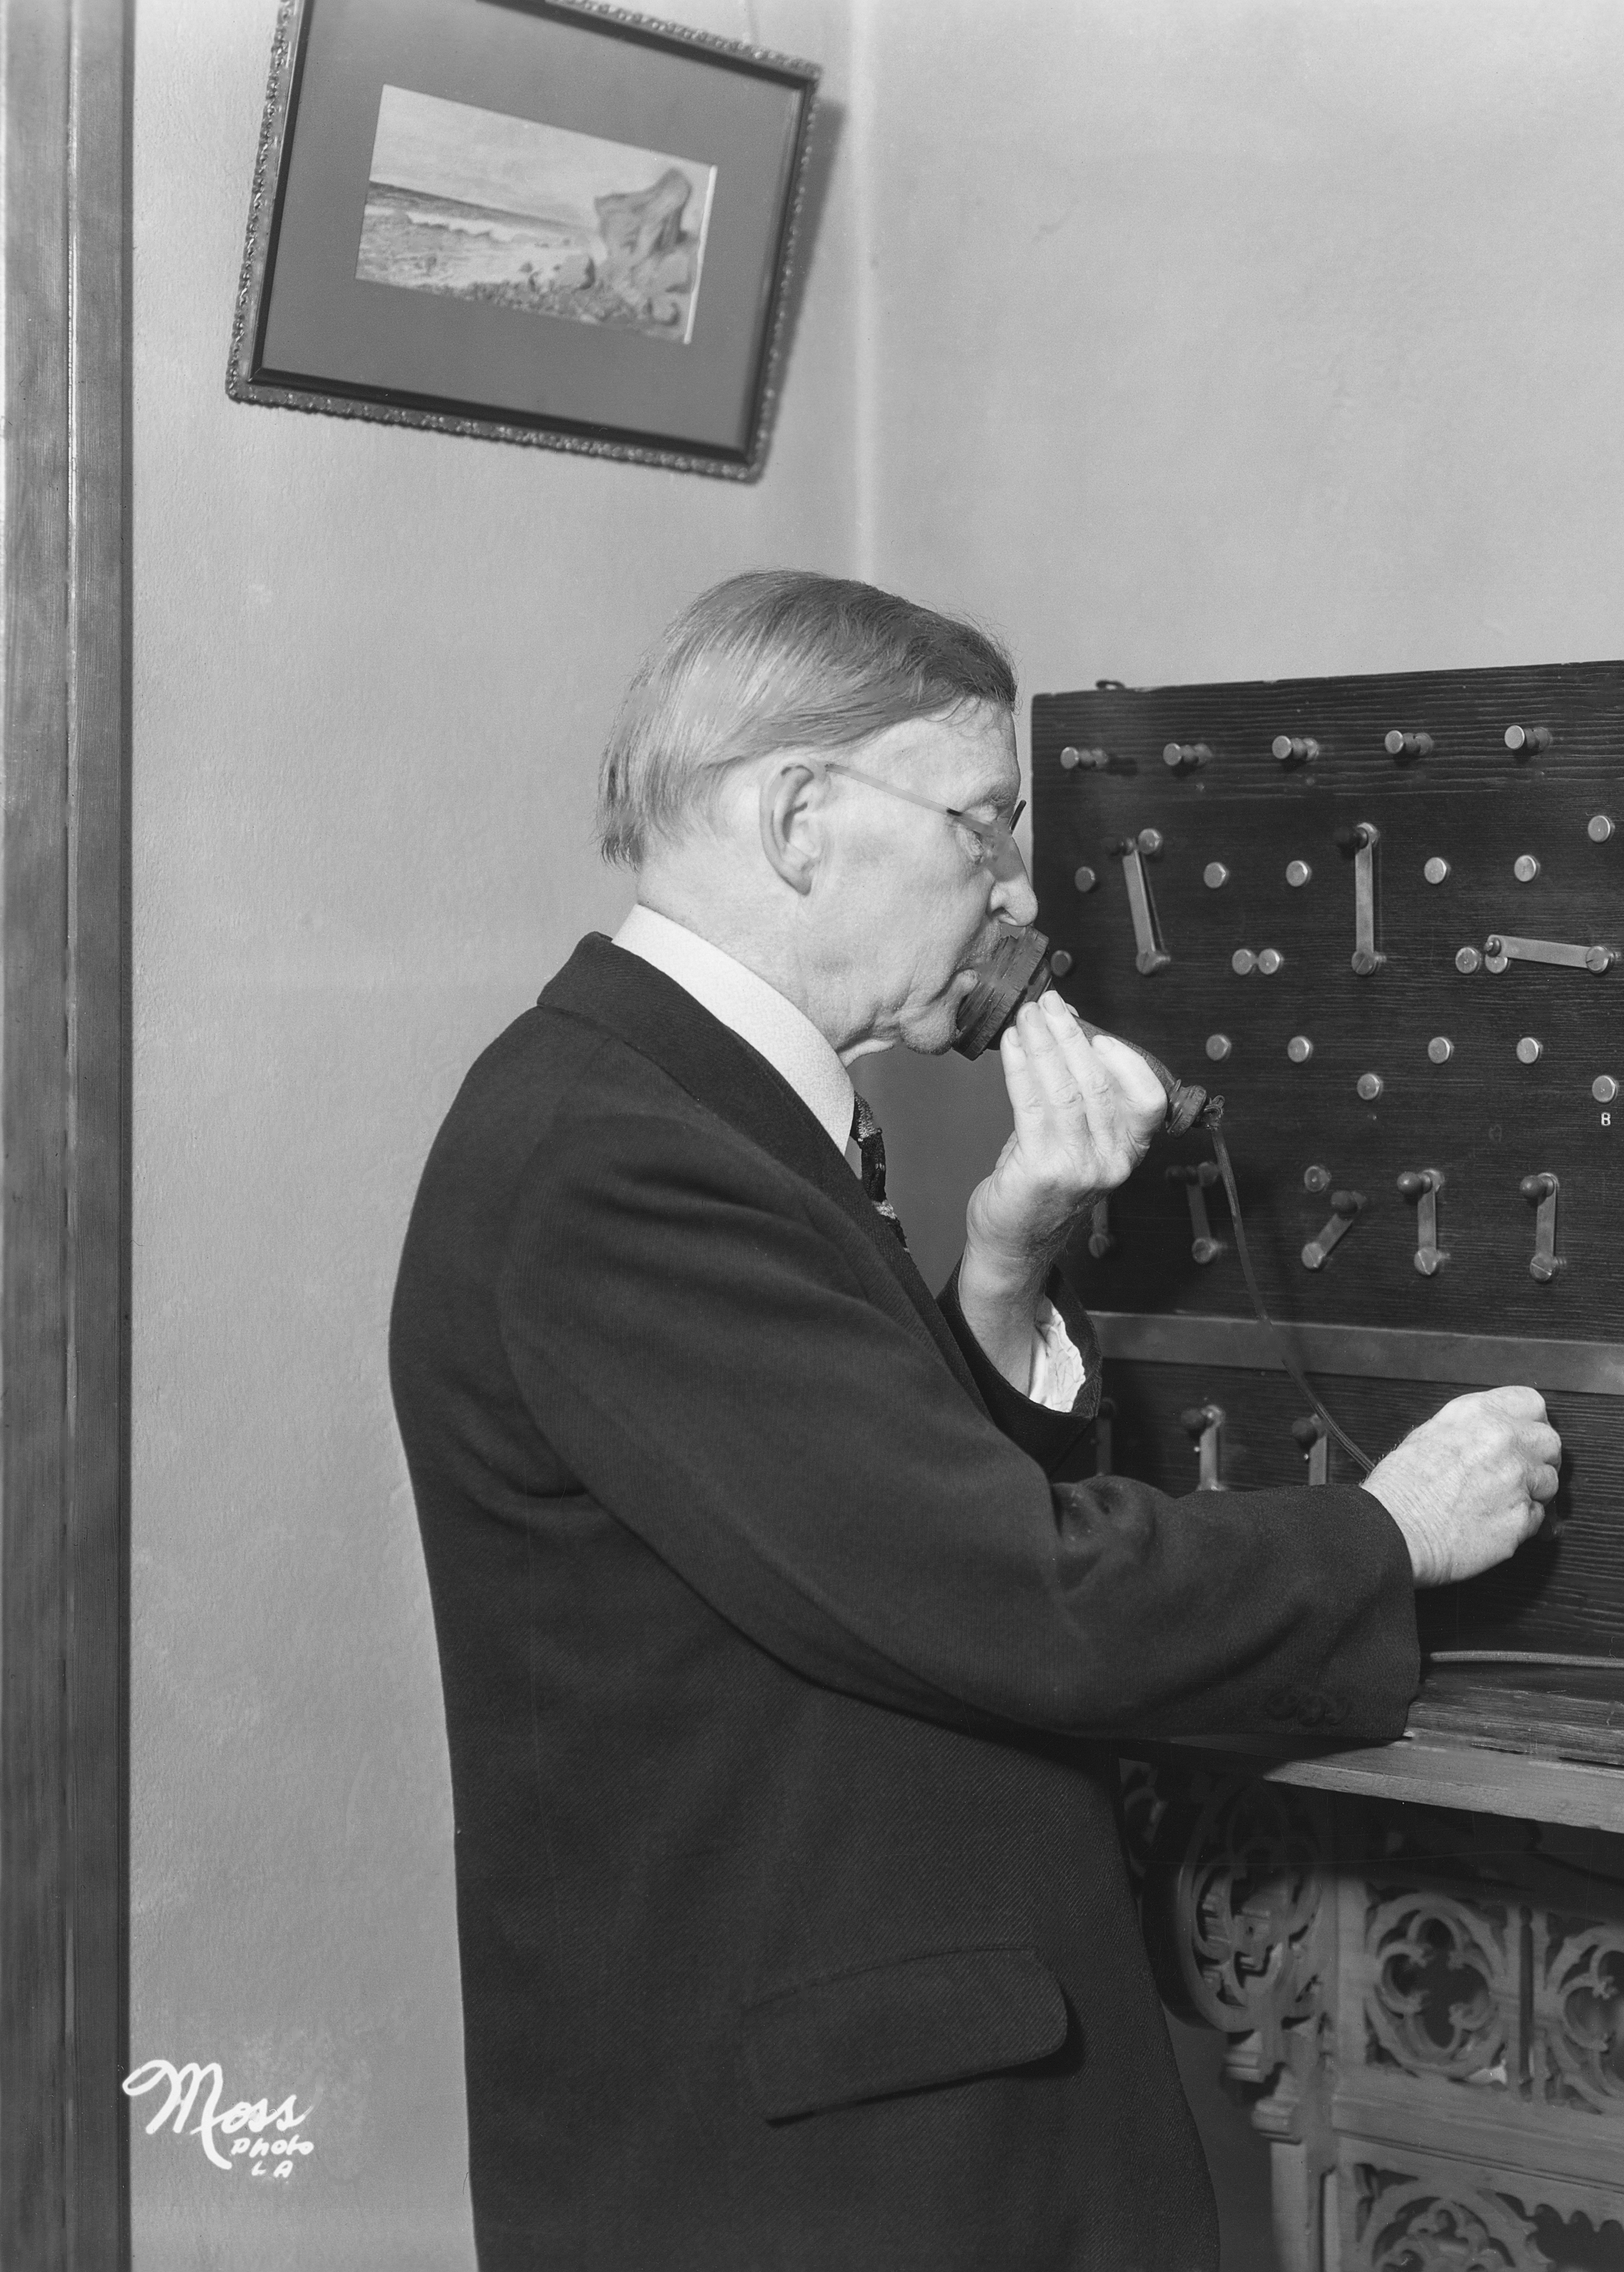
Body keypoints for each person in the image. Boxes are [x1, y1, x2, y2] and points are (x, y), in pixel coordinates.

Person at [387, 570, 1558, 2269]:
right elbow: (1010, 1596)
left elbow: (853, 1532)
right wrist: (1392, 1532)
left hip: (879, 2118)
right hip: (814, 2173)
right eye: (984, 824)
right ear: (800, 819)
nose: (1014, 887)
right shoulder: (615, 1155)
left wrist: (1004, 1271)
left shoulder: (691, 1107)